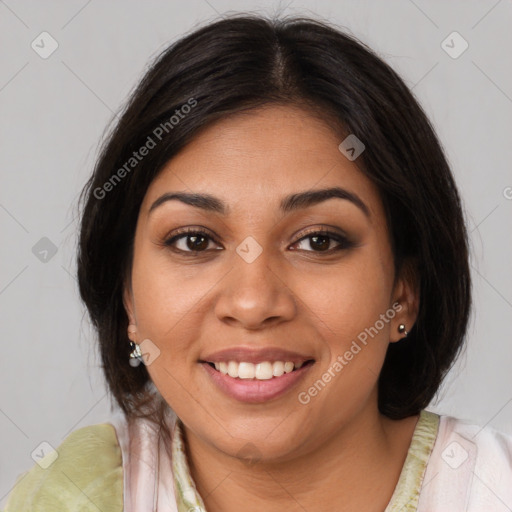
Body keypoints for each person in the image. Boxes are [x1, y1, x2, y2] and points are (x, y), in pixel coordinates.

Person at [4, 13, 511, 512]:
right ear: (128, 295)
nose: (252, 302)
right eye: (195, 241)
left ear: (405, 289)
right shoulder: (70, 498)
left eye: (317, 241)